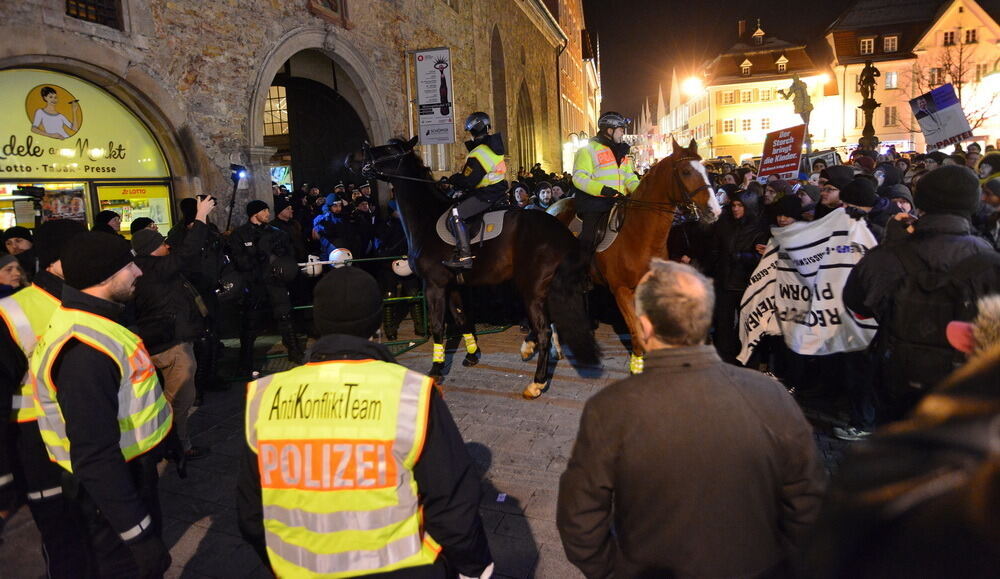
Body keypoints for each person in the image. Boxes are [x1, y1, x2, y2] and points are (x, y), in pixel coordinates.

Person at [557, 259, 825, 578]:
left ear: (644, 326)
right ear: (705, 318)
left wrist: (616, 571)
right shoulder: (771, 396)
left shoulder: (610, 409)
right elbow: (810, 503)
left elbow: (580, 519)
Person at [237, 266, 494, 578]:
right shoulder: (412, 394)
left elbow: (251, 512)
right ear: (376, 322)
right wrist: (474, 565)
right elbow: (451, 501)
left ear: (318, 322)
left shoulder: (265, 396)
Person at [30, 231, 173, 578]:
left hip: (126, 476)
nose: (138, 272)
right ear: (104, 276)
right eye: (129, 265)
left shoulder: (98, 324)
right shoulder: (85, 351)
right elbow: (93, 454)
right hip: (108, 497)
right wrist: (137, 534)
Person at [844, 165, 998, 420]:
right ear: (972, 204)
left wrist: (890, 248)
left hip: (899, 384)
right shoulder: (989, 260)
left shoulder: (888, 255)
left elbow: (856, 302)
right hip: (967, 391)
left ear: (921, 201)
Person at [0, 220, 90, 578]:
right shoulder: (12, 311)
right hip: (35, 444)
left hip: (85, 437)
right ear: (55, 260)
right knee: (62, 536)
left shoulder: (88, 300)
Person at [132, 195, 216, 461]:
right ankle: (177, 445)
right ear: (152, 249)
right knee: (180, 398)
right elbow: (188, 253)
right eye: (161, 244)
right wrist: (201, 216)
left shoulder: (138, 269)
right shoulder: (158, 269)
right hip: (171, 343)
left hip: (153, 340)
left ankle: (169, 442)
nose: (166, 245)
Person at [229, 200, 303, 374]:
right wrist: (256, 255)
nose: (268, 214)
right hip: (254, 284)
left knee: (284, 316)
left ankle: (294, 351)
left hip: (275, 281)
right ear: (255, 213)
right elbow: (238, 260)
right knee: (250, 323)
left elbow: (288, 254)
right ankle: (245, 360)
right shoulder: (240, 234)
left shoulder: (276, 233)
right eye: (264, 211)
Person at [441, 111, 509, 269]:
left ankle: (464, 256)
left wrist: (452, 179)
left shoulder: (478, 153)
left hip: (486, 194)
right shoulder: (492, 147)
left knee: (456, 214)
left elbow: (469, 181)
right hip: (497, 189)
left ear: (472, 131)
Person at [572, 111, 640, 262]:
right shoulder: (587, 150)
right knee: (589, 238)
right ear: (609, 130)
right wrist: (602, 190)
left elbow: (629, 177)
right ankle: (580, 272)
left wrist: (642, 193)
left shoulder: (623, 153)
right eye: (621, 130)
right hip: (595, 203)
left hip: (620, 201)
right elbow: (579, 177)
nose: (623, 134)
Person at [707, 191, 766, 364]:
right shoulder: (724, 225)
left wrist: (740, 257)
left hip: (745, 284)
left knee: (746, 324)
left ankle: (745, 358)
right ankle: (723, 359)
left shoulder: (759, 229)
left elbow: (761, 257)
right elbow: (715, 250)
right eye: (733, 205)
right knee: (723, 324)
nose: (735, 209)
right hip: (724, 281)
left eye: (740, 205)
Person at [839, 177, 902, 241]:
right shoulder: (874, 212)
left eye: (847, 204)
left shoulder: (888, 219)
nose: (844, 207)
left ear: (860, 204)